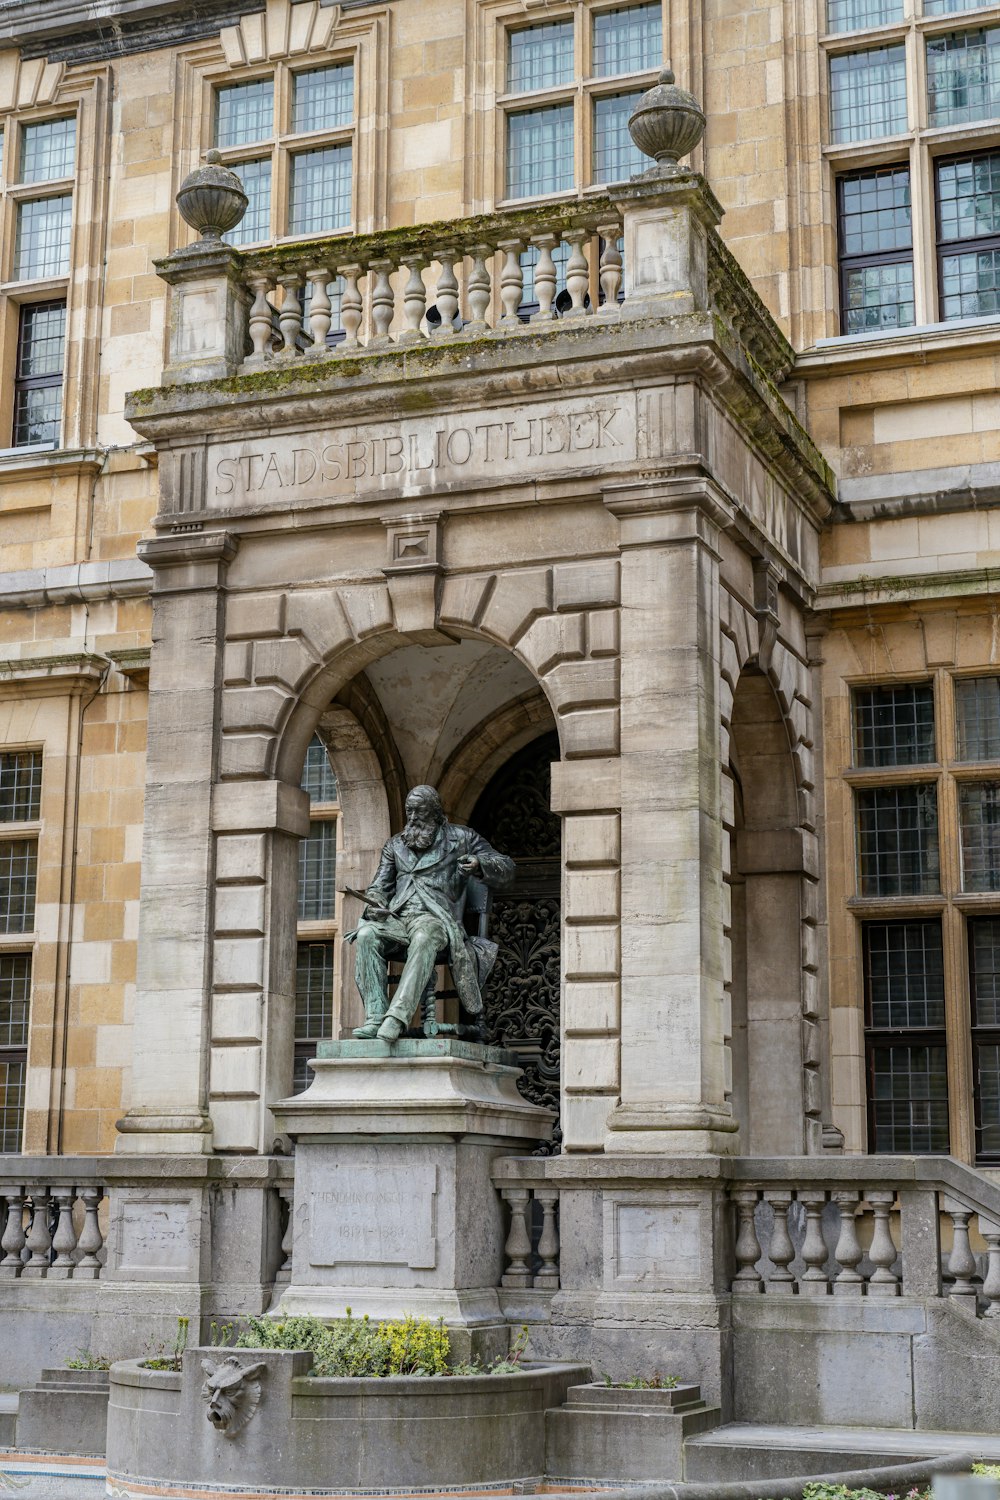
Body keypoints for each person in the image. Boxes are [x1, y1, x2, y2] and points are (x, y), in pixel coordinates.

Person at [346, 785, 515, 1042]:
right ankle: (376, 1017)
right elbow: (379, 886)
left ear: (435, 813)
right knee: (367, 933)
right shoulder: (395, 845)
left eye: (419, 812)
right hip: (399, 918)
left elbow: (507, 868)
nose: (412, 819)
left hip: (439, 919)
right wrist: (375, 904)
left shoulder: (462, 838)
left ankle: (397, 1017)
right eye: (409, 812)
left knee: (424, 937)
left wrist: (480, 864)